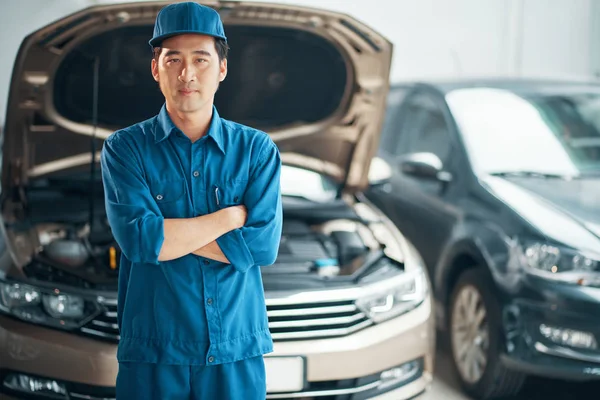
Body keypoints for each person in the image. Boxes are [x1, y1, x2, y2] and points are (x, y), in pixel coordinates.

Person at [100, 2, 283, 399]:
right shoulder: (124, 149)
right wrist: (231, 217)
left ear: (221, 69)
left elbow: (263, 246)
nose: (187, 74)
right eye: (173, 59)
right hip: (153, 354)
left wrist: (168, 238)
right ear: (155, 69)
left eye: (201, 59)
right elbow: (141, 242)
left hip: (235, 349)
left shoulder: (256, 151)